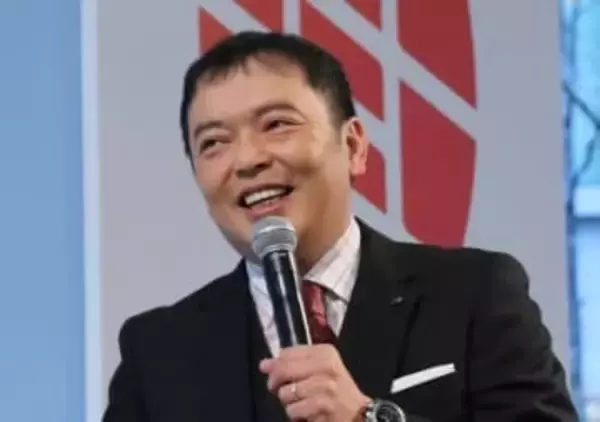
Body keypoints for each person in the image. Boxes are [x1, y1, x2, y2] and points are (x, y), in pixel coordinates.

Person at [103, 31, 578, 422]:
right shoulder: (159, 351)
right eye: (213, 143)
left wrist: (367, 418)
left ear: (353, 146)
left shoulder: (474, 294)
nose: (247, 159)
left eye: (276, 124)